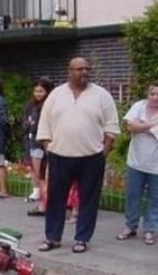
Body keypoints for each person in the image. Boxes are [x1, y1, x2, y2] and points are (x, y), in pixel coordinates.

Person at [36, 57, 120, 253]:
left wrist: (103, 153)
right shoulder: (56, 95)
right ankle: (52, 237)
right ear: (70, 71)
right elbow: (45, 125)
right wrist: (50, 147)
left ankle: (82, 238)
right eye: (79, 69)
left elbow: (111, 127)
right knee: (55, 199)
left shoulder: (102, 96)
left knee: (89, 200)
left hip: (91, 158)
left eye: (86, 69)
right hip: (59, 156)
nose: (84, 73)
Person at [115, 83, 158, 246]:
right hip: (136, 162)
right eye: (152, 93)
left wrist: (142, 127)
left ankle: (149, 229)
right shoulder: (138, 107)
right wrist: (150, 126)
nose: (155, 97)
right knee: (133, 195)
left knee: (155, 199)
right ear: (148, 94)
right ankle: (130, 226)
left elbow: (138, 128)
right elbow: (131, 126)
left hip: (156, 165)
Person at [23, 77, 53, 210]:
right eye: (36, 91)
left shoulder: (48, 106)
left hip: (41, 142)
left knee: (42, 172)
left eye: (41, 91)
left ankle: (44, 201)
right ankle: (39, 194)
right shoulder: (31, 105)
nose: (38, 94)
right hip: (31, 139)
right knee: (34, 169)